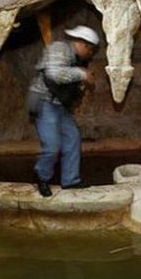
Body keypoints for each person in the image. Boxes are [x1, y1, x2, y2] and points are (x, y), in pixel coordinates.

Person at [28, 25, 99, 197]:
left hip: (59, 105)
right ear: (83, 45)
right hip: (44, 102)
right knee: (52, 145)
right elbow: (54, 74)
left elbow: (69, 85)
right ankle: (42, 177)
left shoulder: (76, 59)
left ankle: (70, 180)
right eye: (90, 50)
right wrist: (81, 74)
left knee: (73, 138)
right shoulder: (59, 48)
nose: (90, 54)